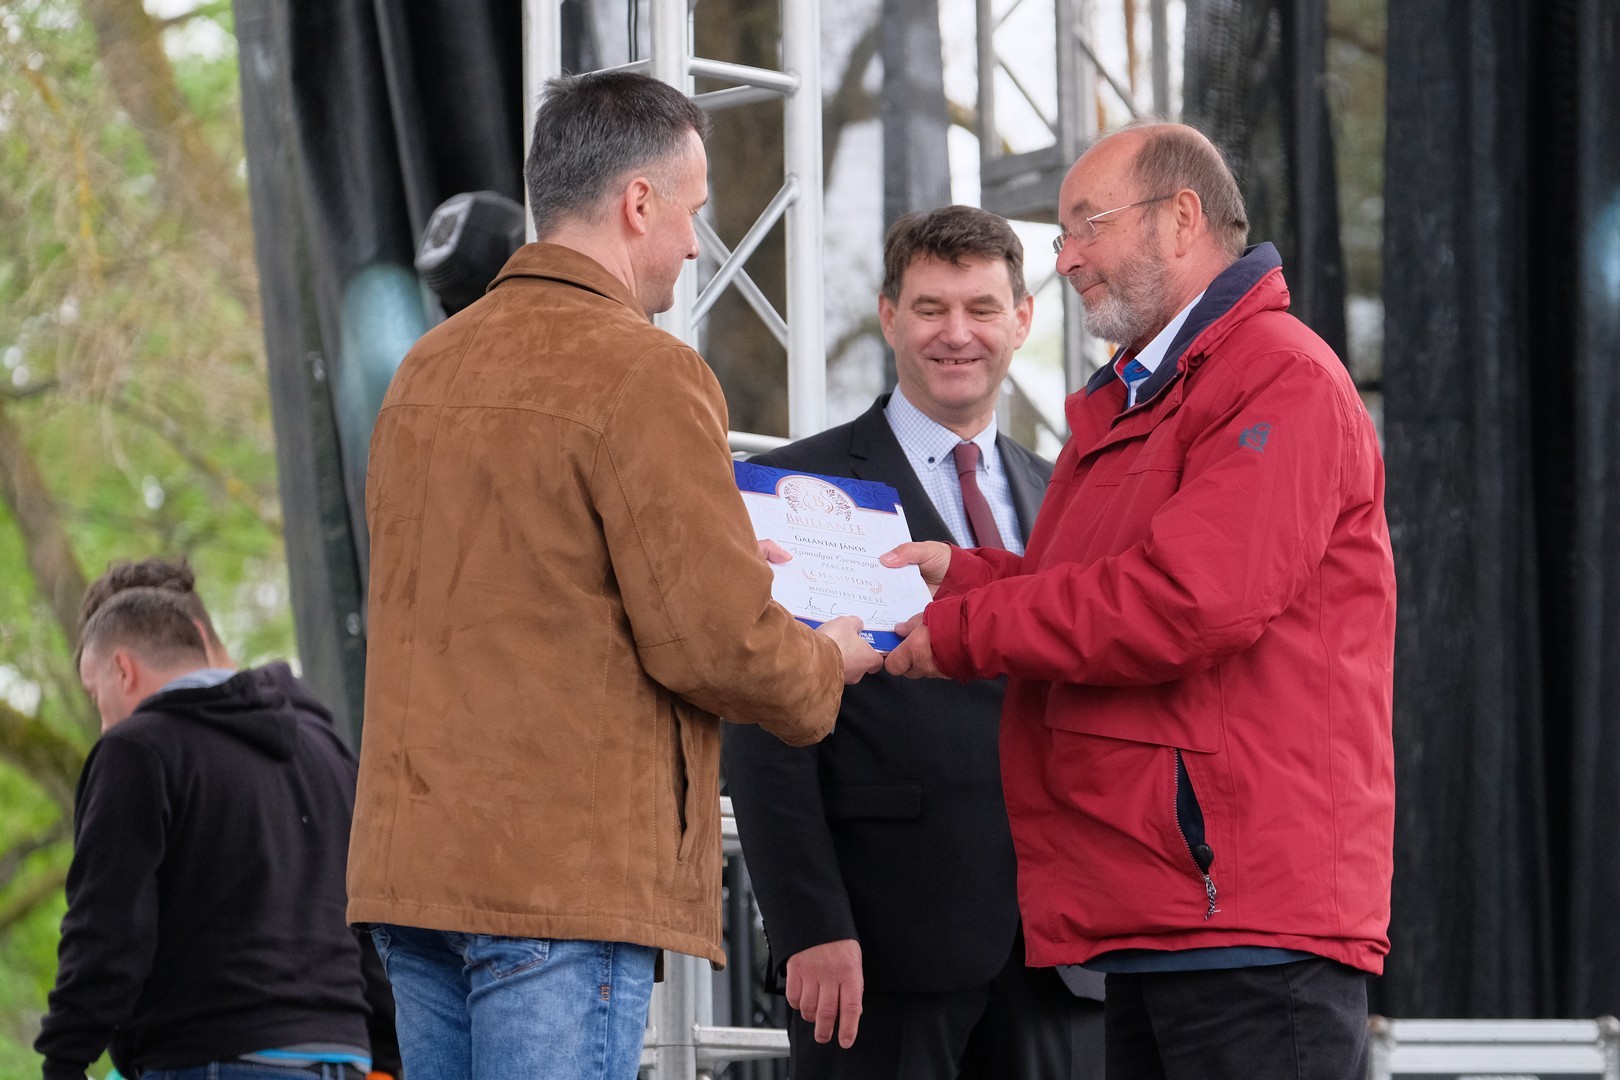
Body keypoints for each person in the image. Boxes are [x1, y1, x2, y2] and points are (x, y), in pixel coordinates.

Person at [349, 69, 881, 1080]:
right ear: (639, 202)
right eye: (692, 211)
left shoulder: (426, 368)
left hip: (412, 867)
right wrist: (826, 662)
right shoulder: (645, 369)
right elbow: (713, 641)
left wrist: (715, 555)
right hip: (558, 873)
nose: (696, 243)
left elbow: (523, 576)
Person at [882, 122, 1396, 1080]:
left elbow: (1187, 602)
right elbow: (1094, 584)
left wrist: (963, 630)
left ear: (1181, 218)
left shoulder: (1278, 376)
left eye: (1089, 224)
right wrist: (965, 578)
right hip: (1163, 916)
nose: (1065, 257)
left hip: (1247, 927)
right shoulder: (1142, 396)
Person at [725, 205, 1105, 1079]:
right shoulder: (793, 486)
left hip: (1064, 949)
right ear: (890, 316)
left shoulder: (1073, 494)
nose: (957, 334)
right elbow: (763, 722)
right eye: (931, 309)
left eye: (982, 309)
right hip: (880, 949)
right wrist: (810, 925)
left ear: (1022, 320)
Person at [37, 587, 390, 1080]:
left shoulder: (138, 750)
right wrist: (387, 1058)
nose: (102, 723)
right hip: (344, 1054)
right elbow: (371, 919)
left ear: (123, 669)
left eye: (96, 696)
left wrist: (64, 1058)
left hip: (211, 1052)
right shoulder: (326, 756)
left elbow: (107, 926)